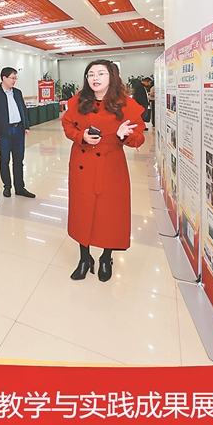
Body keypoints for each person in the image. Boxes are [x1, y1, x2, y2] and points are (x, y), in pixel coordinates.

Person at [61, 59, 146, 282]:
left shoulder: (126, 105)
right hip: (82, 164)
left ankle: (106, 257)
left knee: (110, 214)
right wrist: (80, 136)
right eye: (90, 74)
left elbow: (139, 138)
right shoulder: (78, 101)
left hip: (111, 165)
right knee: (82, 211)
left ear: (112, 77)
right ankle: (84, 258)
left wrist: (123, 136)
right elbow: (67, 125)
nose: (95, 78)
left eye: (101, 73)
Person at [0, 67, 35, 198]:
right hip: (4, 132)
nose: (14, 81)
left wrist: (26, 126)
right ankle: (7, 186)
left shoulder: (17, 92)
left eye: (15, 78)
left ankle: (20, 187)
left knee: (19, 160)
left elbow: (23, 110)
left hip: (19, 130)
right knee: (4, 160)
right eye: (12, 78)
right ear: (4, 78)